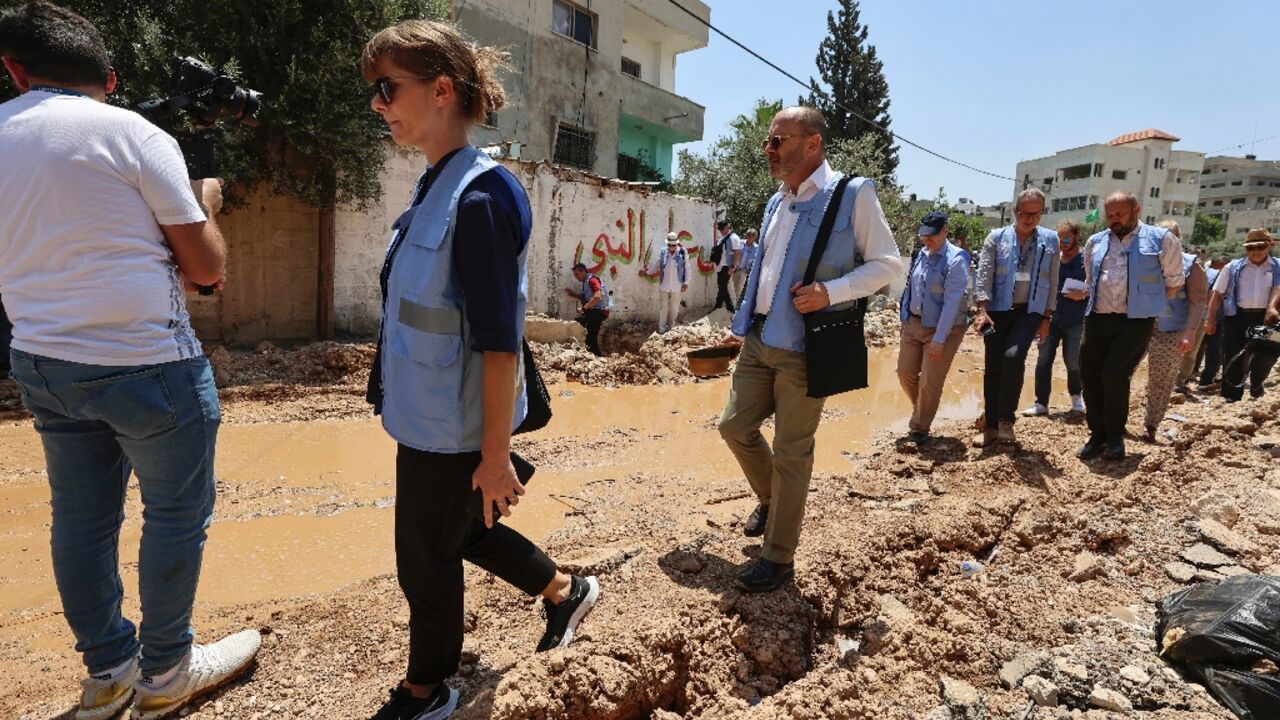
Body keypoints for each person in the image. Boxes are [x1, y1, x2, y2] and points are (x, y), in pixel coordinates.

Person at [0, 3, 259, 719]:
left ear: (14, 70)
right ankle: (168, 671)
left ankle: (109, 673)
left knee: (80, 521)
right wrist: (206, 200)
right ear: (109, 78)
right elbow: (205, 268)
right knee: (176, 514)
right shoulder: (135, 135)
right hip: (149, 362)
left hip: (43, 362)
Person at [363, 20, 599, 720]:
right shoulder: (437, 184)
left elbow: (499, 345)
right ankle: (565, 591)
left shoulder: (480, 197)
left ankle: (427, 692)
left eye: (387, 88)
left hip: (453, 427)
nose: (377, 103)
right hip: (427, 414)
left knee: (425, 558)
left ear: (441, 90)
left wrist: (495, 459)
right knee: (460, 533)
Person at [718, 106, 901, 592]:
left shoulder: (852, 194)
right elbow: (765, 271)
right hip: (759, 338)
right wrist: (741, 326)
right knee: (733, 426)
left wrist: (830, 292)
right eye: (768, 142)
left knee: (792, 452)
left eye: (778, 141)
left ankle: (778, 557)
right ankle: (771, 501)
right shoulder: (777, 199)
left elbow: (888, 265)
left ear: (812, 143)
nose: (769, 150)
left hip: (806, 348)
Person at [1077, 192, 1184, 460]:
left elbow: (1174, 281)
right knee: (1090, 374)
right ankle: (1097, 434)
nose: (1114, 219)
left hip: (1135, 321)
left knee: (1114, 374)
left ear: (1136, 210)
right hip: (1098, 317)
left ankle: (1115, 437)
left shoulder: (1161, 240)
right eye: (1110, 215)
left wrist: (1147, 306)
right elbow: (1091, 280)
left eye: (1120, 214)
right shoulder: (1096, 242)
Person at [971, 188, 1061, 447]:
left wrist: (1047, 317)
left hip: (1029, 312)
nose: (1029, 219)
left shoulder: (1050, 240)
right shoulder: (996, 237)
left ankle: (1006, 421)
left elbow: (1053, 279)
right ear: (1015, 212)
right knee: (993, 367)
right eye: (1024, 213)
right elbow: (984, 273)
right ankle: (990, 427)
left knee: (1013, 358)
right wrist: (981, 310)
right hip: (995, 313)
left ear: (1041, 213)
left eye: (1035, 214)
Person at [896, 211, 969, 445]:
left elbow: (952, 303)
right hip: (914, 323)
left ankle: (919, 427)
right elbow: (910, 288)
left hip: (944, 328)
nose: (927, 241)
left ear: (945, 231)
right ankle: (924, 408)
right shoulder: (921, 254)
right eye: (923, 236)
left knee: (929, 380)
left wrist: (939, 339)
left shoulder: (957, 259)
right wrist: (904, 318)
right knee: (905, 373)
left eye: (932, 236)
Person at [1139, 223, 1206, 441]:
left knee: (1161, 379)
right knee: (1122, 372)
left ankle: (1150, 424)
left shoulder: (1191, 265)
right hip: (1141, 327)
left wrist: (1191, 332)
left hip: (1172, 330)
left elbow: (1198, 302)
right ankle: (1115, 420)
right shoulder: (1146, 261)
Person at [1205, 229, 1280, 402]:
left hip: (1267, 318)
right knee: (1233, 356)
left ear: (1269, 246)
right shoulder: (1232, 267)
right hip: (1237, 317)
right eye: (1250, 248)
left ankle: (1256, 383)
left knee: (1267, 354)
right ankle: (1231, 396)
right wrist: (1210, 319)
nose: (1255, 251)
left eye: (1260, 247)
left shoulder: (1278, 267)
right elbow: (1217, 294)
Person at [1024, 219, 1088, 417]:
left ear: (1077, 236)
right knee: (1043, 360)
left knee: (1073, 361)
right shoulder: (1052, 258)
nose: (1064, 243)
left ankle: (1077, 397)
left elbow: (1100, 285)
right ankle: (1041, 402)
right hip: (1049, 318)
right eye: (1060, 240)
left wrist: (1085, 292)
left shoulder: (1087, 258)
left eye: (1067, 238)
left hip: (1076, 318)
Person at [639, 231, 688, 333]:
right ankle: (661, 329)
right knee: (663, 308)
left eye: (673, 245)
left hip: (677, 285)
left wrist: (686, 282)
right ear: (667, 244)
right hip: (664, 285)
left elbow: (687, 268)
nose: (671, 247)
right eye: (670, 245)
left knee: (674, 308)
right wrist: (648, 273)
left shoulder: (683, 252)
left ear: (677, 244)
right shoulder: (663, 252)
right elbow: (657, 265)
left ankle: (671, 327)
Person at [563, 263, 610, 356]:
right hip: (596, 311)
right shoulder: (586, 282)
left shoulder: (592, 280)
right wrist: (573, 295)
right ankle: (598, 358)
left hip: (599, 311)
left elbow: (597, 297)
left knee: (578, 321)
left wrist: (584, 308)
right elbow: (586, 297)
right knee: (591, 338)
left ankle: (574, 347)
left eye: (577, 274)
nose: (576, 277)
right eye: (575, 275)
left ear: (583, 271)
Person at [711, 220, 741, 312]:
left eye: (722, 229)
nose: (721, 231)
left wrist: (733, 266)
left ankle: (726, 307)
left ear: (727, 228)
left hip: (727, 266)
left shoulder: (734, 238)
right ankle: (722, 306)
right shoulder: (721, 239)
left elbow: (736, 253)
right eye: (720, 229)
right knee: (722, 286)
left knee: (723, 286)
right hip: (720, 266)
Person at [732, 228, 759, 302]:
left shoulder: (756, 248)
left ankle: (736, 303)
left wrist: (750, 269)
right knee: (733, 286)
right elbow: (733, 253)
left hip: (744, 270)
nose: (750, 237)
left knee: (740, 287)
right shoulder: (740, 243)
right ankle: (732, 302)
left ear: (754, 237)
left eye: (752, 236)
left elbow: (755, 260)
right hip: (736, 268)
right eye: (749, 235)